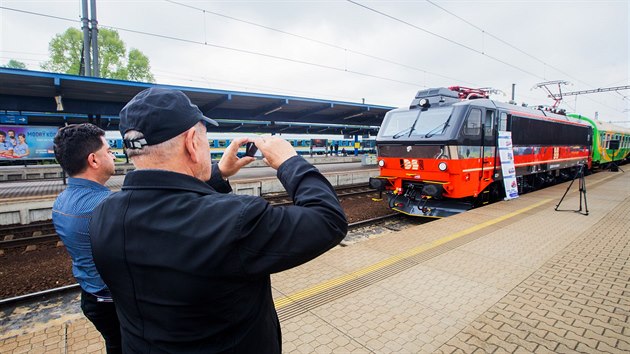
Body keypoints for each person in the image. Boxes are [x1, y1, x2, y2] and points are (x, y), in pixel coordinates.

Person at [89, 87, 348, 353]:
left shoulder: (103, 215)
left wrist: (218, 173)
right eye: (206, 141)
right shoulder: (236, 220)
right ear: (191, 142)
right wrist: (290, 162)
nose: (208, 147)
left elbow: (175, 203)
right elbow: (328, 219)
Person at [52, 123, 122, 354]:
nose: (114, 155)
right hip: (113, 304)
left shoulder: (60, 201)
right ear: (93, 160)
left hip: (91, 297)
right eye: (109, 151)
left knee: (114, 345)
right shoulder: (107, 206)